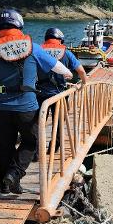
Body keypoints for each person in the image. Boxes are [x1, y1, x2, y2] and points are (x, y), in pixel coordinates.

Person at [0, 9, 73, 194]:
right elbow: (57, 66)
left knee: (5, 145)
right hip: (26, 106)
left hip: (0, 107)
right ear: (19, 26)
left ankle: (4, 184)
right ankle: (14, 175)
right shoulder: (33, 47)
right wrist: (69, 74)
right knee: (31, 143)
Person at [36, 28, 88, 157]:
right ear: (60, 39)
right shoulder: (66, 52)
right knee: (58, 123)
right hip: (59, 94)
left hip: (39, 93)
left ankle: (35, 152)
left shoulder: (38, 51)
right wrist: (83, 84)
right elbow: (81, 72)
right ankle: (53, 148)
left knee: (37, 123)